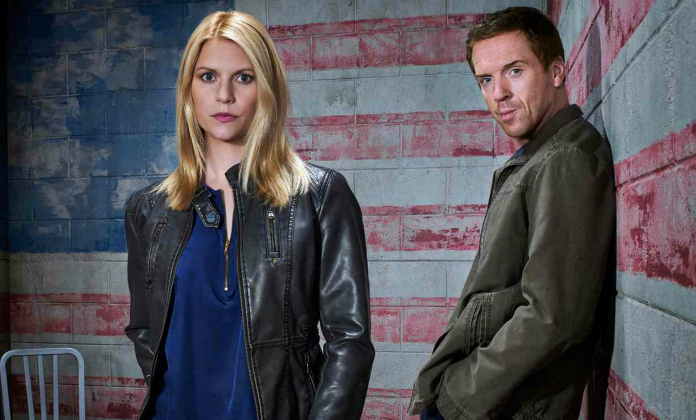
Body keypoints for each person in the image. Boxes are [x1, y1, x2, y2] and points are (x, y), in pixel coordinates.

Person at [124, 11, 374, 420]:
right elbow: (144, 330)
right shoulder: (149, 209)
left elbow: (350, 342)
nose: (224, 95)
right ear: (188, 89)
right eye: (207, 76)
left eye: (244, 77)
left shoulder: (319, 196)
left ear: (267, 88)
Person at [408, 7, 616, 420]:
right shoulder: (539, 157)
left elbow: (553, 317)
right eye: (485, 80)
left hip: (499, 406)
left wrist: (458, 395)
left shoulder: (565, 159)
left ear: (556, 71)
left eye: (514, 71)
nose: (498, 93)